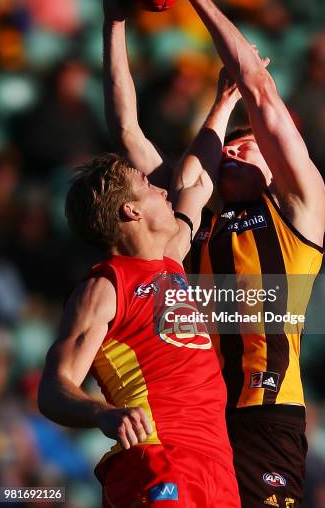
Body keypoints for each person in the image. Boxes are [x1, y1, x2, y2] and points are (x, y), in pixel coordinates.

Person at [102, 0, 325, 507]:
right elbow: (128, 131)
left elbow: (260, 85)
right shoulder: (189, 219)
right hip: (197, 422)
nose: (232, 146)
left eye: (248, 145)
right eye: (229, 143)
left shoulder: (300, 212)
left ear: (278, 165)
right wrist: (115, 19)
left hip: (266, 415)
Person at [38, 152, 241, 508]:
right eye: (147, 185)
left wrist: (225, 103)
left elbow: (197, 181)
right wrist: (102, 413)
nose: (163, 190)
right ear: (131, 211)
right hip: (159, 460)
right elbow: (53, 389)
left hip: (218, 470)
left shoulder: (171, 263)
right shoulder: (105, 286)